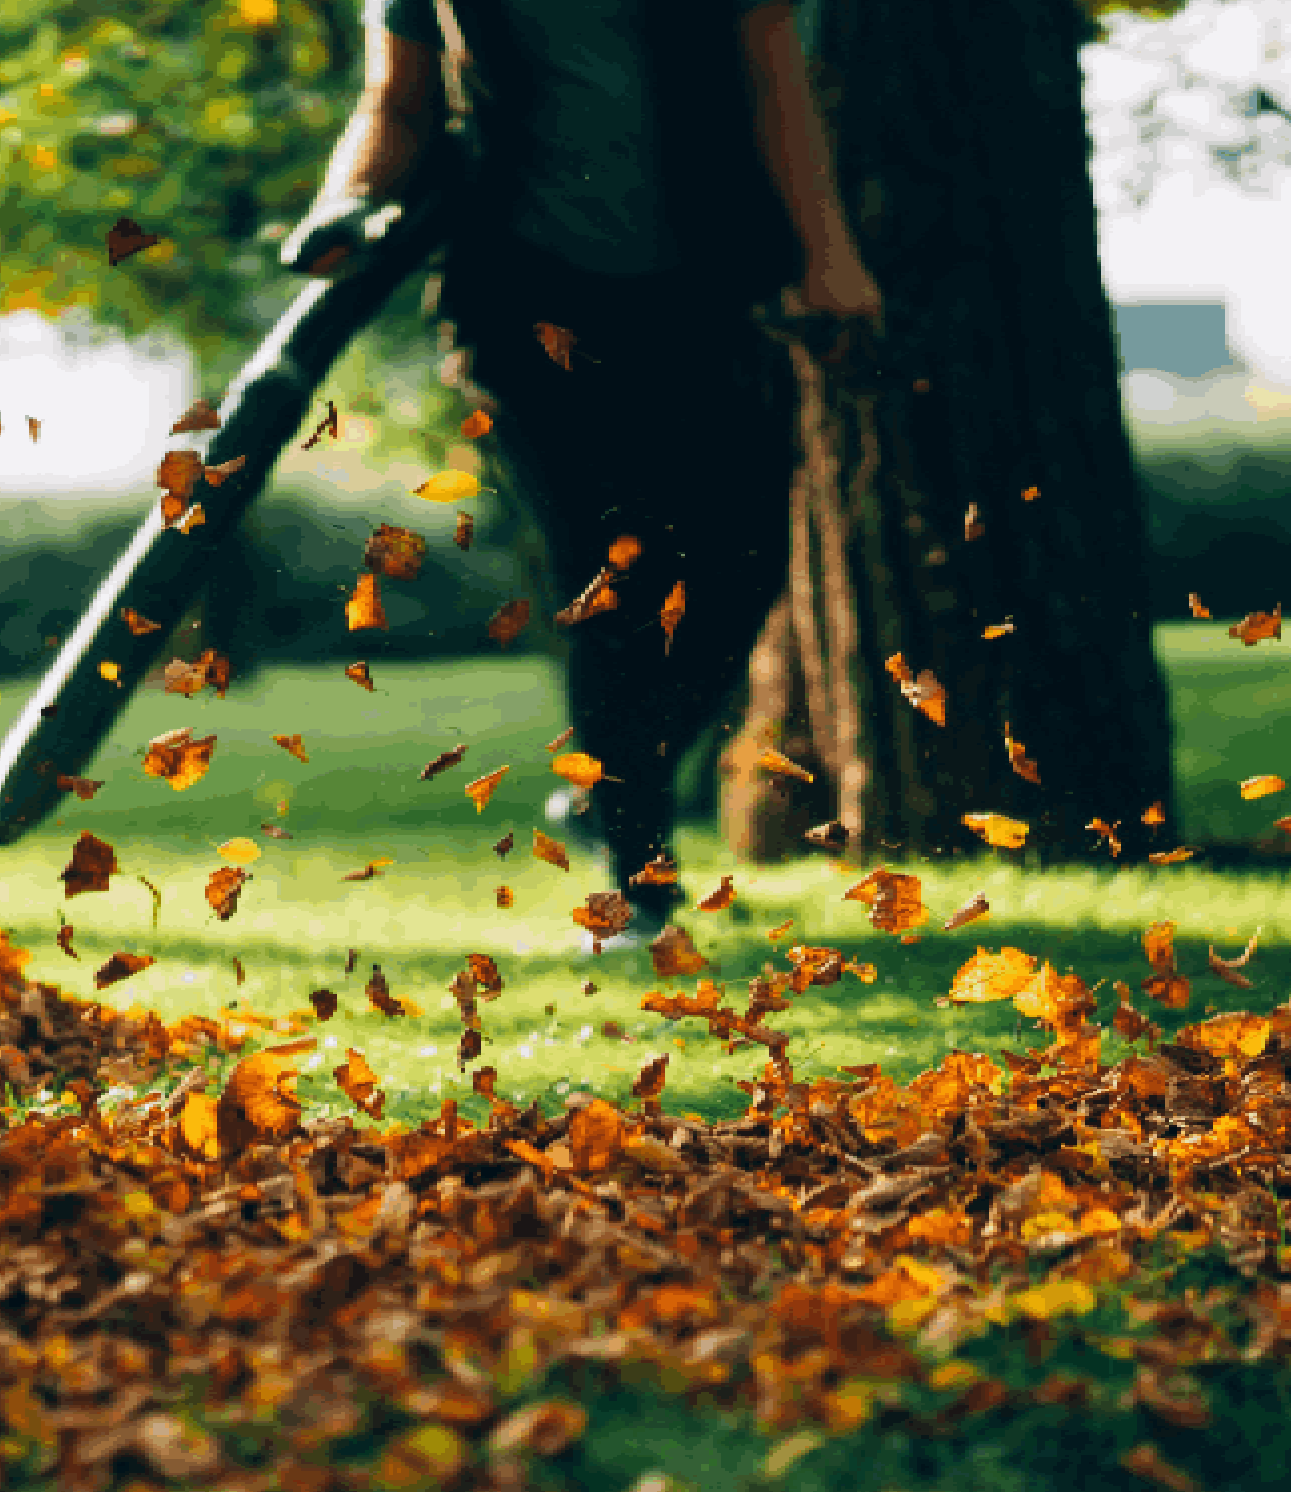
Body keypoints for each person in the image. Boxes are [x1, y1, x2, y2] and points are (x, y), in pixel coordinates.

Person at [283, 0, 883, 948]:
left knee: (741, 570)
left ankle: (611, 784)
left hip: (705, 296)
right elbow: (395, 105)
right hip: (525, 307)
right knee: (616, 582)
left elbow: (776, 84)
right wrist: (342, 200)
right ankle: (637, 878)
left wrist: (827, 256)